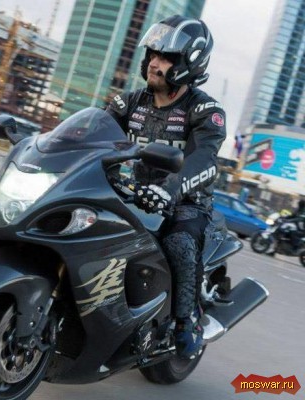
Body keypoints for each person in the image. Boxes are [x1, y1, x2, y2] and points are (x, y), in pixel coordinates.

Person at [106, 15, 226, 359]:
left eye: (167, 57)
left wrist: (169, 191)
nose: (155, 63)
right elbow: (91, 133)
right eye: (153, 55)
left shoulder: (204, 110)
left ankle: (187, 323)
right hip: (136, 195)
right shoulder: (129, 103)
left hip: (186, 205)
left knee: (179, 243)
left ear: (190, 63)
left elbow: (203, 159)